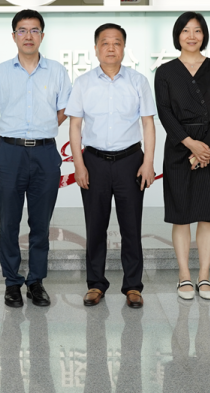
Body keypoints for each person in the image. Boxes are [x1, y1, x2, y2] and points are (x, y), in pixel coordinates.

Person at [0, 9, 71, 308]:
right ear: (14, 36)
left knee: (40, 222)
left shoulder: (56, 71)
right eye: (22, 30)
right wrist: (6, 142)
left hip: (45, 152)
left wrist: (44, 130)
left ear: (42, 36)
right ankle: (12, 282)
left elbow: (64, 108)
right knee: (9, 221)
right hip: (11, 151)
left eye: (34, 30)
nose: (28, 36)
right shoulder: (0, 72)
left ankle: (35, 282)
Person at [66, 23, 156, 309]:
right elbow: (75, 125)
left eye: (117, 42)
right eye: (105, 43)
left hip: (131, 161)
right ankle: (95, 284)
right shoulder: (83, 83)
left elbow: (148, 124)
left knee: (131, 226)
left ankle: (133, 286)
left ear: (124, 48)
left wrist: (148, 162)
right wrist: (79, 164)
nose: (111, 48)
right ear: (96, 49)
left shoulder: (138, 81)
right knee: (95, 226)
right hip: (94, 161)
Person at [154, 12, 210, 301]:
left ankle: (205, 276)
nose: (191, 36)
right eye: (185, 30)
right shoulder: (165, 71)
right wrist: (190, 145)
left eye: (197, 31)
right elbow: (164, 112)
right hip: (178, 148)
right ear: (177, 35)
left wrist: (205, 149)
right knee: (181, 215)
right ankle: (184, 275)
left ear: (204, 35)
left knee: (207, 215)